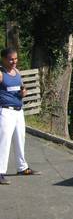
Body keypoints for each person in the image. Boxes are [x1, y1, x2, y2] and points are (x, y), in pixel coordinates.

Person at [0, 48, 35, 184]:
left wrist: (23, 93)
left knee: (20, 139)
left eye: (15, 58)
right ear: (3, 59)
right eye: (11, 59)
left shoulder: (17, 72)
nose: (14, 61)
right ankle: (0, 172)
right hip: (6, 111)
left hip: (18, 111)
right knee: (4, 142)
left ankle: (22, 167)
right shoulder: (1, 73)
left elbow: (21, 87)